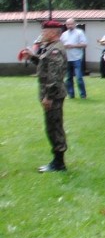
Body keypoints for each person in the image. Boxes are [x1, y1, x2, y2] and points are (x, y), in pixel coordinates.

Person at [20, 20, 68, 172]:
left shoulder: (55, 50)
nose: (42, 34)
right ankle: (57, 160)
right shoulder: (50, 48)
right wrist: (32, 57)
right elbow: (45, 67)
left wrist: (49, 97)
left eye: (45, 31)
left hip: (53, 95)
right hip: (50, 94)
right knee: (51, 126)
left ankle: (59, 163)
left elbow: (54, 76)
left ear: (53, 33)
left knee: (54, 127)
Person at [60, 18, 87, 99]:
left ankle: (83, 95)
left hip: (77, 58)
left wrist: (73, 46)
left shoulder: (79, 33)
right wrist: (63, 46)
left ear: (75, 24)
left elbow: (84, 44)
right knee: (68, 78)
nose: (69, 26)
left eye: (71, 24)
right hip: (67, 58)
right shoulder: (64, 34)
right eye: (68, 24)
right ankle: (71, 94)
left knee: (79, 77)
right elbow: (60, 45)